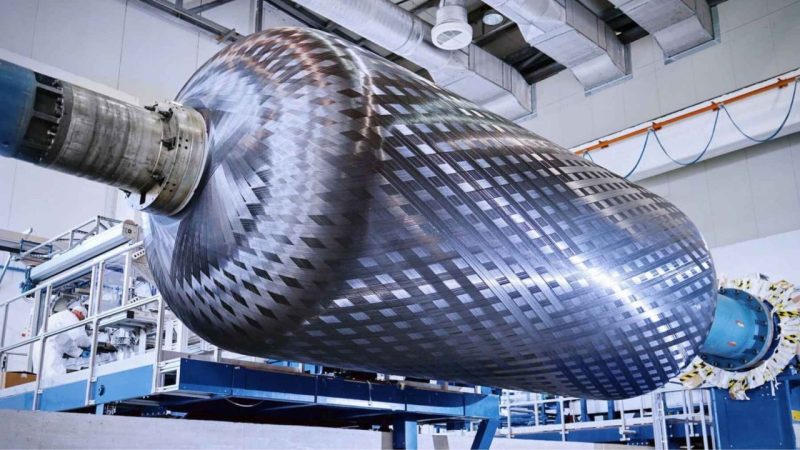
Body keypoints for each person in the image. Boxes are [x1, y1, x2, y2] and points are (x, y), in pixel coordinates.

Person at [35, 302, 92, 377]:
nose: (81, 321)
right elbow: (79, 336)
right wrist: (89, 345)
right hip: (48, 348)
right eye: (82, 319)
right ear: (80, 313)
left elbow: (66, 344)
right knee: (55, 374)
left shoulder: (63, 318)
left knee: (43, 375)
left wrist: (80, 352)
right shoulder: (70, 317)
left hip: (43, 347)